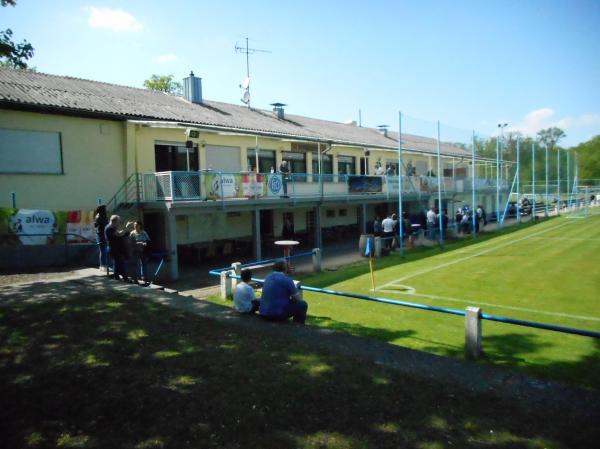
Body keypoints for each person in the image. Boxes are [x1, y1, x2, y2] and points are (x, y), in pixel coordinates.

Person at [105, 215, 133, 282]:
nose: (119, 223)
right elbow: (120, 234)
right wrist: (127, 227)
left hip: (115, 248)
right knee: (121, 263)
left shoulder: (112, 227)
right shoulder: (110, 228)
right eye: (118, 221)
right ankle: (125, 278)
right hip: (113, 248)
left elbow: (119, 234)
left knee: (117, 263)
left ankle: (117, 277)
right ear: (114, 221)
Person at [94, 205, 109, 271]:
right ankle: (103, 265)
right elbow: (104, 225)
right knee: (103, 251)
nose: (106, 210)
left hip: (102, 234)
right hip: (101, 235)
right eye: (105, 209)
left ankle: (102, 265)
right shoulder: (100, 216)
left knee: (103, 251)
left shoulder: (100, 216)